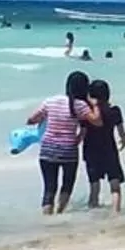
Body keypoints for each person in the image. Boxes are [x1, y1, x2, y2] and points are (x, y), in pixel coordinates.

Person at [25, 70, 99, 215]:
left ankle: (47, 217)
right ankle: (59, 213)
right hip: (68, 150)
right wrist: (94, 104)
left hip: (47, 150)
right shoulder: (80, 105)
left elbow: (31, 119)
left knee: (49, 187)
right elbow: (96, 120)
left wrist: (41, 121)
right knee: (67, 185)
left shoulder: (50, 101)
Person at [80, 78, 125, 213]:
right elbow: (122, 133)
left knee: (94, 186)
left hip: (91, 151)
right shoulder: (115, 111)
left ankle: (93, 212)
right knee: (115, 185)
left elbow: (82, 133)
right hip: (109, 150)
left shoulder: (88, 114)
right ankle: (115, 212)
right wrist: (123, 141)